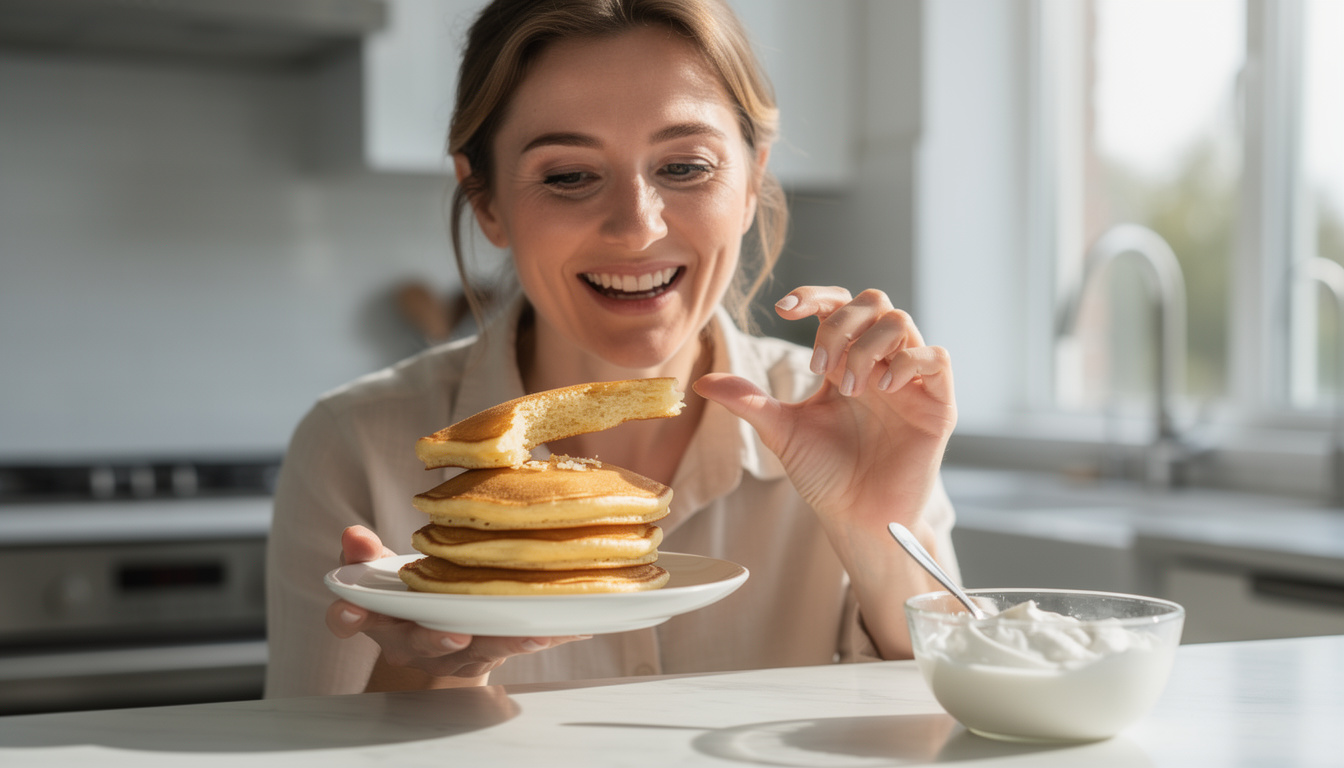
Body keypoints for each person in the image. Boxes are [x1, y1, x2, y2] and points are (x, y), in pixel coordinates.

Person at [264, 0, 959, 698]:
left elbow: (951, 731)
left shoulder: (856, 418)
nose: (636, 226)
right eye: (569, 176)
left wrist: (878, 531)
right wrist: (424, 666)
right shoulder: (350, 446)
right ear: (487, 202)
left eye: (685, 167)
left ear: (751, 183)